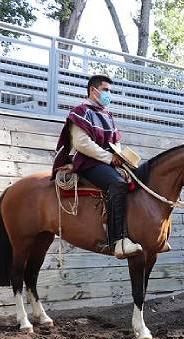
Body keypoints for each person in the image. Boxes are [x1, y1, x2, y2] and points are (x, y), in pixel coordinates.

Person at [52, 75, 143, 259]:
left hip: (105, 161)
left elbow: (113, 143)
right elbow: (82, 144)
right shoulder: (81, 111)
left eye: (110, 91)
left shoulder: (106, 114)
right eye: (105, 90)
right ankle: (118, 241)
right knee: (118, 184)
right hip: (88, 162)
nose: (109, 94)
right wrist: (110, 158)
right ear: (93, 91)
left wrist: (122, 157)